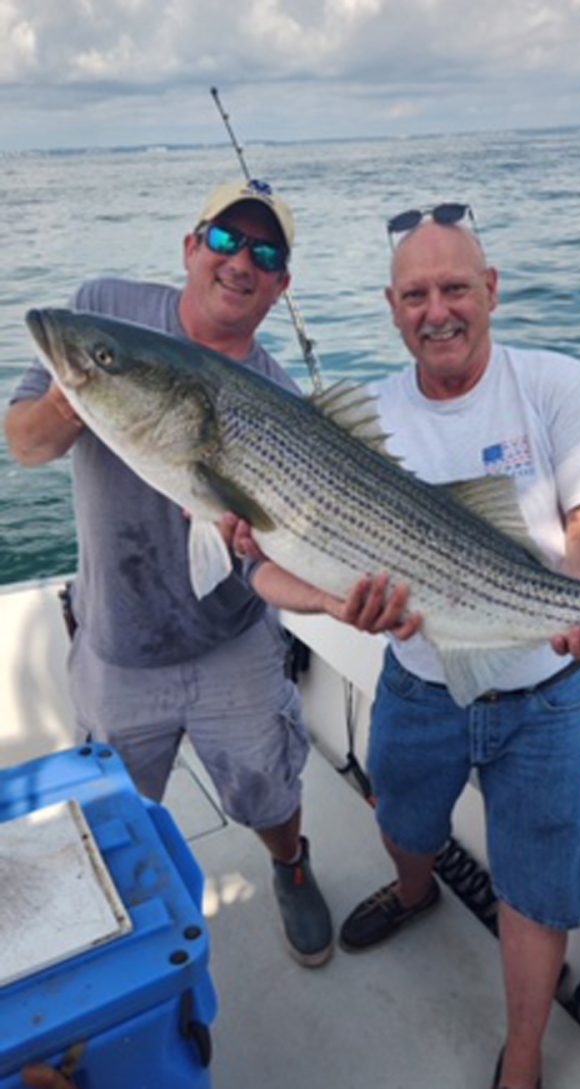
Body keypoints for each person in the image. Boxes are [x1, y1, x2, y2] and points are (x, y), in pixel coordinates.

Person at [231, 203, 580, 1089]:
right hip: (420, 679)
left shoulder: (558, 385)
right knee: (402, 819)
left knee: (536, 885)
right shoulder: (360, 418)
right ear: (391, 308)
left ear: (491, 291)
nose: (438, 310)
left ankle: (523, 1060)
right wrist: (347, 606)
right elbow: (283, 562)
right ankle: (416, 889)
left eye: (455, 287)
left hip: (549, 691)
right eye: (416, 294)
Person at [4, 178, 410, 971]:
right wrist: (85, 380)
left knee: (267, 782)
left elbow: (268, 555)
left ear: (281, 285)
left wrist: (335, 597)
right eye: (224, 240)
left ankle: (290, 864)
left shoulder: (278, 394)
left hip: (232, 636)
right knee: (119, 810)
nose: (239, 261)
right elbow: (24, 444)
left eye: (264, 252)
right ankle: (119, 922)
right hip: (119, 640)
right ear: (191, 247)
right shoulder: (106, 312)